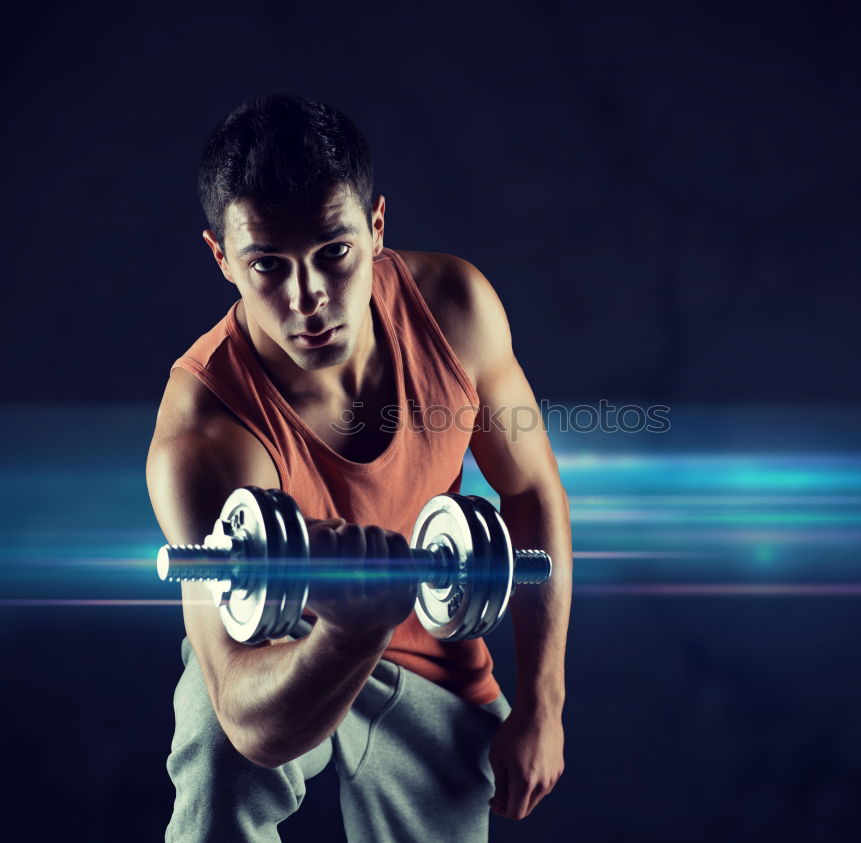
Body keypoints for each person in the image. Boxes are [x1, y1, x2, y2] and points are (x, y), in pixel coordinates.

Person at [145, 94, 571, 842]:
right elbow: (246, 714)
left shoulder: (454, 310)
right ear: (222, 258)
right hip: (283, 661)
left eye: (334, 252)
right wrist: (349, 632)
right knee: (217, 760)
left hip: (436, 671)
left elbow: (531, 490)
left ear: (375, 229)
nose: (307, 298)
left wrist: (543, 704)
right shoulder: (207, 431)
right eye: (268, 265)